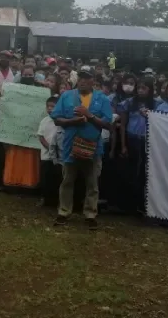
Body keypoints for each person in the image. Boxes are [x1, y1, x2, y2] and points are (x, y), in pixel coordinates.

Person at [50, 69, 113, 230]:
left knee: (92, 183)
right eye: (81, 78)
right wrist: (72, 121)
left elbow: (107, 124)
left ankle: (90, 214)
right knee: (67, 181)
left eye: (87, 78)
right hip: (70, 146)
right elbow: (56, 119)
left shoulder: (102, 99)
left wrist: (89, 116)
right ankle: (64, 212)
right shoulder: (67, 96)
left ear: (93, 81)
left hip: (93, 147)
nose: (83, 81)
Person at [114, 77, 155, 214]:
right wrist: (124, 145)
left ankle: (141, 204)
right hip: (132, 139)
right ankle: (127, 204)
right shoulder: (129, 103)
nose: (141, 90)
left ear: (150, 90)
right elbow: (123, 125)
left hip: (149, 141)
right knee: (130, 172)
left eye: (144, 88)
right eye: (139, 88)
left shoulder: (156, 104)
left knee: (144, 173)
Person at [37, 96, 60, 207]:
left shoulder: (61, 121)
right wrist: (50, 148)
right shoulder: (44, 121)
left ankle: (56, 200)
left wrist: (56, 150)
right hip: (46, 155)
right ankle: (44, 198)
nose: (50, 109)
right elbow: (41, 137)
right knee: (45, 178)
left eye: (53, 106)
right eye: (48, 106)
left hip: (59, 156)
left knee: (57, 177)